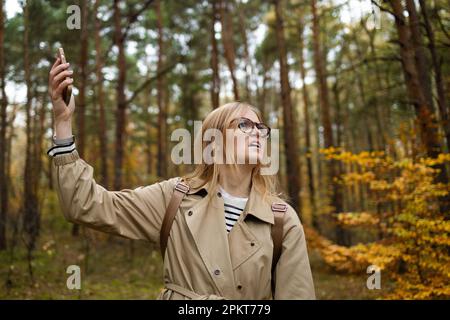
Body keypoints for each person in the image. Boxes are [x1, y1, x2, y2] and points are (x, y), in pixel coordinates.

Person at [47, 54, 315, 300]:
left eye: (260, 127)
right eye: (244, 125)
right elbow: (85, 205)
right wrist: (63, 122)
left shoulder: (281, 219)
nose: (257, 132)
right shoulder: (175, 197)